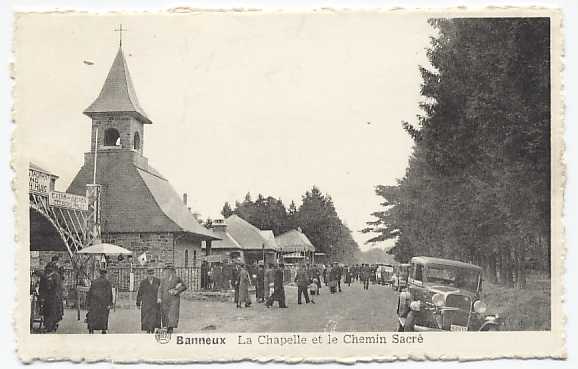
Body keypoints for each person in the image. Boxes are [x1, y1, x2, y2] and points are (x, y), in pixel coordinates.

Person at [158, 264, 187, 333]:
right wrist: (159, 297)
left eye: (170, 270)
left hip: (174, 299)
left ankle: (170, 327)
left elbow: (184, 286)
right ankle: (166, 326)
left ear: (173, 271)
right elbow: (160, 289)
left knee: (172, 313)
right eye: (166, 270)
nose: (168, 272)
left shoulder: (177, 278)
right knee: (165, 313)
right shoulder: (163, 279)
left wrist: (177, 291)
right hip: (165, 298)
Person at [86, 268, 113, 334]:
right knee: (103, 316)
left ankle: (91, 329)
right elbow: (109, 293)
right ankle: (103, 329)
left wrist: (88, 303)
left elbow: (90, 293)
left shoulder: (94, 282)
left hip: (94, 303)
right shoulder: (107, 282)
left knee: (93, 316)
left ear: (100, 274)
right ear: (105, 274)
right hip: (104, 303)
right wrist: (110, 303)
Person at [39, 263, 63, 332]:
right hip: (56, 297)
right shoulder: (57, 275)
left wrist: (42, 297)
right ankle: (53, 325)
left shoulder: (47, 276)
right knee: (54, 312)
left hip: (50, 297)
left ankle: (49, 327)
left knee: (49, 312)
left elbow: (45, 287)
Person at [136, 268, 161, 333]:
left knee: (154, 318)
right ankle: (148, 331)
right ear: (147, 274)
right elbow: (140, 293)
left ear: (153, 274)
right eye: (149, 274)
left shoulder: (158, 281)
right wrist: (138, 303)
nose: (151, 276)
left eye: (152, 274)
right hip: (146, 303)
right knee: (146, 318)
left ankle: (152, 330)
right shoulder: (143, 282)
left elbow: (161, 291)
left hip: (155, 303)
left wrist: (160, 299)